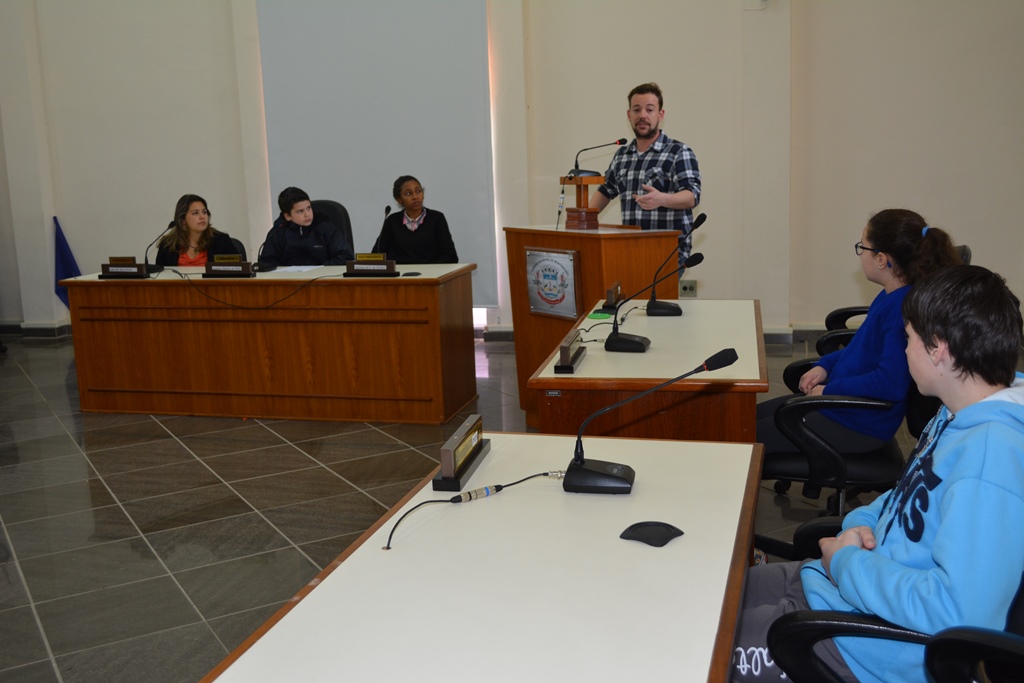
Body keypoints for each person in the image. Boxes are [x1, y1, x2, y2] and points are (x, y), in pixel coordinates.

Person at [733, 264, 1024, 683]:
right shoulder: (959, 411)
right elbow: (905, 495)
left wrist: (849, 563)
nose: (904, 351)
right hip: (838, 587)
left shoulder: (989, 461)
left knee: (704, 643)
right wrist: (859, 524)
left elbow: (958, 615)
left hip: (859, 647)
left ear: (938, 348)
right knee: (718, 593)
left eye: (909, 340)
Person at [756, 209, 962, 457]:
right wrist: (826, 365)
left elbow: (890, 384)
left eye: (862, 247)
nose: (860, 255)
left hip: (858, 424)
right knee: (747, 420)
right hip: (843, 408)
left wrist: (830, 390)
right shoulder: (890, 294)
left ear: (881, 259)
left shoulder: (902, 310)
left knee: (745, 437)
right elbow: (860, 349)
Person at [589, 82, 701, 265]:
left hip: (667, 251)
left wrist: (662, 199)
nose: (642, 115)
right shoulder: (622, 155)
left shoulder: (678, 152)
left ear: (660, 115)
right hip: (629, 249)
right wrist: (584, 217)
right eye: (637, 110)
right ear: (629, 115)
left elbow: (692, 195)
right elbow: (606, 190)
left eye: (650, 110)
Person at [259, 187, 354, 266]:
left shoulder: (324, 227)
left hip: (322, 282)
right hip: (289, 283)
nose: (307, 214)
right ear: (287, 216)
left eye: (308, 208)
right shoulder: (278, 231)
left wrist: (323, 269)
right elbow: (266, 262)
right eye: (300, 211)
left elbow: (346, 255)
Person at [373, 176, 458, 264]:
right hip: (401, 276)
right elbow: (377, 254)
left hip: (431, 275)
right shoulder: (392, 221)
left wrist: (429, 270)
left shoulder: (436, 218)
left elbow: (450, 256)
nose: (415, 197)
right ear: (399, 199)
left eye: (418, 191)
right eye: (408, 193)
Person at [156, 194, 241, 267]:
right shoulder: (167, 245)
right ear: (183, 220)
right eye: (195, 213)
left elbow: (238, 274)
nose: (202, 217)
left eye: (204, 212)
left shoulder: (221, 241)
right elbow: (159, 279)